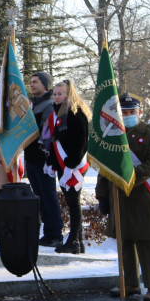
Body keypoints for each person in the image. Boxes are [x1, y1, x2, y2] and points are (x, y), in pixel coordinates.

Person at [95, 94, 150, 301]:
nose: (128, 116)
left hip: (143, 195)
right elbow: (104, 169)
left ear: (139, 112)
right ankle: (131, 283)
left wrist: (129, 178)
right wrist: (102, 196)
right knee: (125, 242)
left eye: (131, 112)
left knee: (147, 243)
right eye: (123, 113)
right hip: (119, 197)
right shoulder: (112, 135)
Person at [45, 79, 91, 254]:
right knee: (71, 201)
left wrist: (71, 164)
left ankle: (73, 240)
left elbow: (81, 141)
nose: (56, 97)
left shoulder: (76, 113)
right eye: (55, 94)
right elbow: (56, 140)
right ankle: (78, 241)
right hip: (63, 164)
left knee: (73, 202)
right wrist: (52, 162)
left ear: (69, 94)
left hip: (73, 165)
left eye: (60, 94)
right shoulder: (58, 113)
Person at [24, 71, 63, 246]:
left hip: (43, 158)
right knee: (40, 197)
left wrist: (48, 157)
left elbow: (47, 134)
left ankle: (55, 233)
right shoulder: (31, 105)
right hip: (31, 158)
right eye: (31, 82)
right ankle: (47, 233)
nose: (31, 85)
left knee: (48, 196)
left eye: (36, 82)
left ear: (45, 85)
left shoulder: (48, 106)